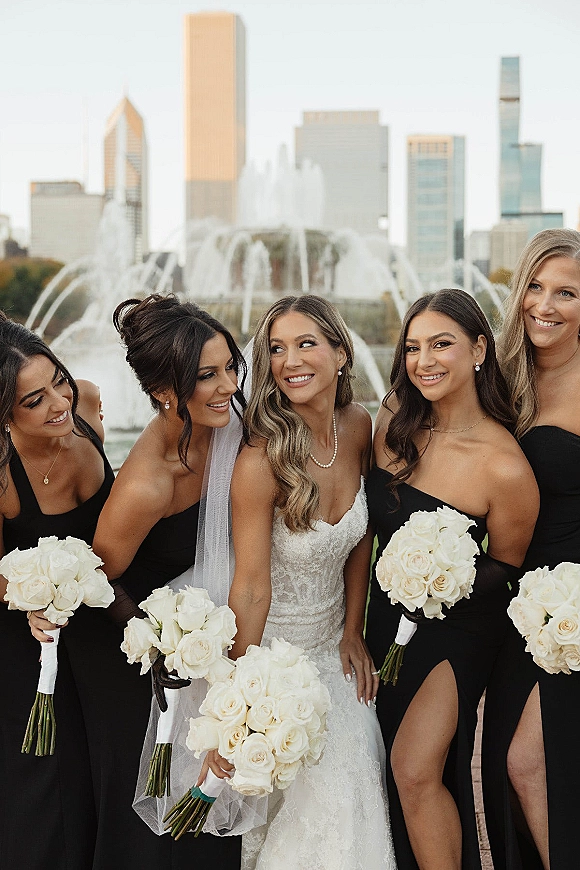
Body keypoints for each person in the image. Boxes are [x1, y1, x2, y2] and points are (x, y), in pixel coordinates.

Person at [29, 295, 245, 869]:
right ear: (165, 394)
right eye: (207, 376)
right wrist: (160, 645)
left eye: (230, 367)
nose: (227, 385)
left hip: (192, 632)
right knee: (149, 804)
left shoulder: (228, 425)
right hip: (123, 648)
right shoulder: (150, 482)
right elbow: (98, 577)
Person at [206, 295, 396, 870]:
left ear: (342, 353)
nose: (290, 360)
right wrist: (233, 705)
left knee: (358, 767)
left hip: (334, 655)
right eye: (276, 348)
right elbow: (251, 589)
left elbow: (361, 537)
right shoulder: (261, 459)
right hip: (274, 665)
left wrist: (353, 630)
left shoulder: (358, 427)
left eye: (306, 343)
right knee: (305, 799)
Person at [365, 288, 539, 870]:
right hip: (383, 620)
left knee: (414, 769)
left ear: (479, 350)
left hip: (458, 631)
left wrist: (443, 580)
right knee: (388, 766)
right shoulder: (393, 419)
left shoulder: (504, 464)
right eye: (413, 348)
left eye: (442, 344)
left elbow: (508, 565)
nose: (425, 361)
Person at [0, 312, 114, 870]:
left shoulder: (87, 403)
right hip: (30, 638)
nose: (59, 404)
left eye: (58, 381)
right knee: (44, 779)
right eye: (34, 401)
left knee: (104, 771)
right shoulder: (1, 469)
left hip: (101, 626)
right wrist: (27, 595)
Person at [482, 228, 580, 870]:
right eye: (536, 288)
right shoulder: (503, 381)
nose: (545, 305)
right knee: (505, 767)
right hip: (512, 601)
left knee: (531, 762)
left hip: (571, 608)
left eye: (566, 293)